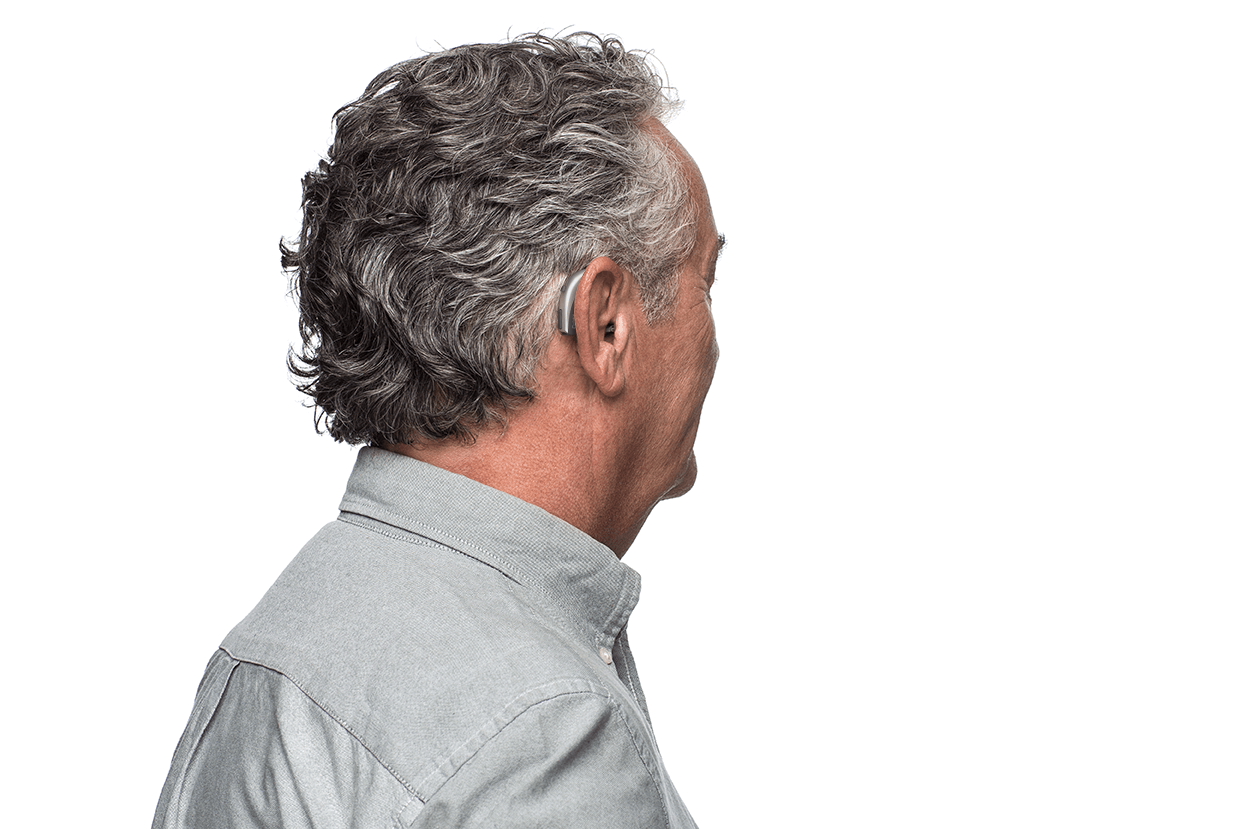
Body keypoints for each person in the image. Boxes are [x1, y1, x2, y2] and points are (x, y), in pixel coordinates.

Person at [153, 32, 723, 828]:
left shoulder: (272, 647)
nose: (714, 334)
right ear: (606, 326)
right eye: (707, 281)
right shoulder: (544, 731)